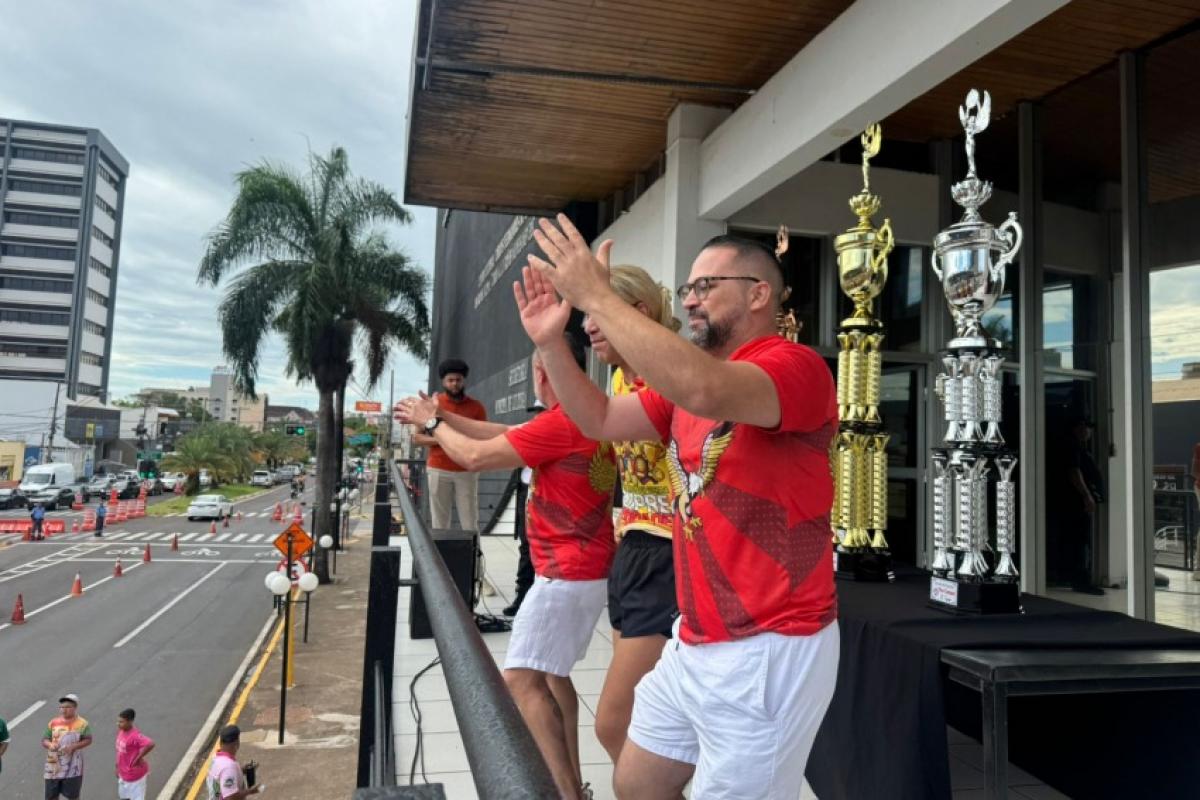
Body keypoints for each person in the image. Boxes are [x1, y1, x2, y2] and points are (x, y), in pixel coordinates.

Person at [520, 216, 840, 799]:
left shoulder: (795, 368)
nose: (690, 300)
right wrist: (549, 344)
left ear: (758, 293)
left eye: (705, 287)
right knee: (637, 782)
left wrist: (595, 293)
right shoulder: (681, 389)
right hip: (696, 636)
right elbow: (599, 419)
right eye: (687, 288)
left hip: (769, 647)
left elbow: (707, 390)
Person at [398, 337, 617, 800]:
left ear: (543, 373)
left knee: (519, 681)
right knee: (554, 678)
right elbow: (499, 432)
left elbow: (476, 456)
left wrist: (433, 421)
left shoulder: (562, 423)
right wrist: (438, 416)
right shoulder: (590, 413)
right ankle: (574, 783)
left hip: (564, 575)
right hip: (582, 568)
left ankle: (564, 793)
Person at [580, 265, 682, 764]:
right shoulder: (619, 375)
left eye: (599, 313)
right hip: (631, 547)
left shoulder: (673, 373)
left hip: (669, 552)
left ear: (640, 315)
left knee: (613, 725)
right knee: (639, 723)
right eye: (586, 314)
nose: (588, 327)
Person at [413, 358, 488, 532]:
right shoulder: (430, 405)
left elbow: (484, 437)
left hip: (467, 470)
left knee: (470, 523)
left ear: (464, 381)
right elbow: (416, 438)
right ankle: (440, 559)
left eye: (458, 380)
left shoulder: (476, 408)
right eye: (450, 380)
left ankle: (473, 559)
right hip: (438, 470)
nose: (455, 384)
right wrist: (444, 439)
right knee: (440, 524)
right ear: (443, 382)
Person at [43, 693, 92, 800]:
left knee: (73, 796)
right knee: (51, 796)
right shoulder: (53, 722)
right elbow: (45, 740)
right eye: (61, 707)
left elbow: (88, 739)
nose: (63, 710)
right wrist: (50, 744)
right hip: (53, 766)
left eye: (67, 707)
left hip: (74, 767)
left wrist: (73, 746)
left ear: (75, 707)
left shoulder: (82, 724)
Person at [207, 725, 261, 799]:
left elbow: (223, 777)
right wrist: (250, 791)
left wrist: (242, 770)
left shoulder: (215, 758)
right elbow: (230, 797)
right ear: (236, 744)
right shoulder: (228, 766)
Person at [115, 708, 154, 800]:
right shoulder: (121, 732)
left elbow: (150, 744)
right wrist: (117, 767)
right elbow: (120, 752)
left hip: (135, 775)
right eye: (118, 721)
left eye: (121, 722)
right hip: (123, 774)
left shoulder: (135, 735)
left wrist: (138, 758)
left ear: (130, 721)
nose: (118, 724)